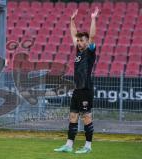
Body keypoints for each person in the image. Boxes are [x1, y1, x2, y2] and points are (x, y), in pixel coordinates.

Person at [54, 7, 99, 154]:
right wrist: (71, 20)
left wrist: (93, 18)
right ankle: (68, 145)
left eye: (82, 40)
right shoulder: (78, 51)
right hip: (77, 89)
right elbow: (73, 34)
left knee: (86, 117)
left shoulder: (90, 51)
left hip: (86, 89)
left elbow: (92, 36)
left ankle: (88, 146)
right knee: (73, 116)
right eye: (78, 41)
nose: (79, 42)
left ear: (87, 42)